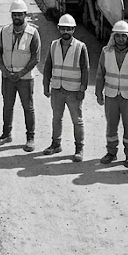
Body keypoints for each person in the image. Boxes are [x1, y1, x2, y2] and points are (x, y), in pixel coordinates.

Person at [95, 20, 128, 167]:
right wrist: (98, 92)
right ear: (113, 37)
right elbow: (100, 74)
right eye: (117, 36)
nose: (120, 39)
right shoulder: (106, 52)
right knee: (111, 126)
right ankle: (111, 152)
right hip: (111, 96)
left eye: (123, 36)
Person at [0, 0, 41, 152]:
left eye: (20, 14)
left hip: (25, 79)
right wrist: (5, 71)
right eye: (14, 14)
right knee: (7, 106)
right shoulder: (5, 31)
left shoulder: (33, 33)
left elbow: (36, 58)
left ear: (25, 15)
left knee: (28, 107)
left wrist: (20, 73)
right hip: (8, 78)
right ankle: (6, 134)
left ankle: (30, 138)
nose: (17, 17)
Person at [42, 12, 89, 161]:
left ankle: (79, 149)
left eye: (69, 29)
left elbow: (85, 69)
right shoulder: (54, 45)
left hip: (74, 91)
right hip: (57, 89)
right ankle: (56, 144)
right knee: (57, 118)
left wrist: (82, 89)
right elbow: (48, 66)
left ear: (73, 30)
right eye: (63, 29)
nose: (65, 32)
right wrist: (45, 85)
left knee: (77, 121)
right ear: (58, 28)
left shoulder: (81, 47)